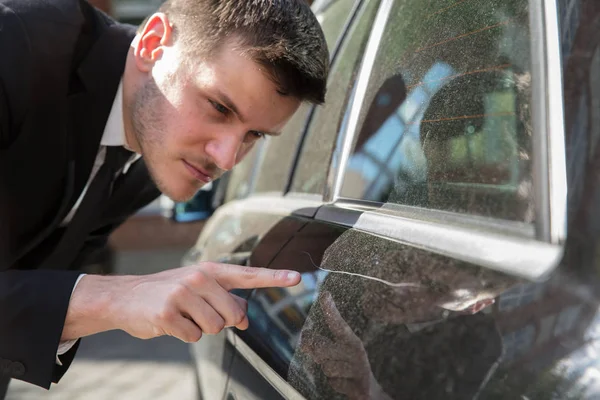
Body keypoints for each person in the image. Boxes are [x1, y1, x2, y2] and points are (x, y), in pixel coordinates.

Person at [0, 0, 329, 396]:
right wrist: (110, 298)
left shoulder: (151, 154)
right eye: (219, 107)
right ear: (153, 44)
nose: (226, 158)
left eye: (254, 135)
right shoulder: (13, 46)